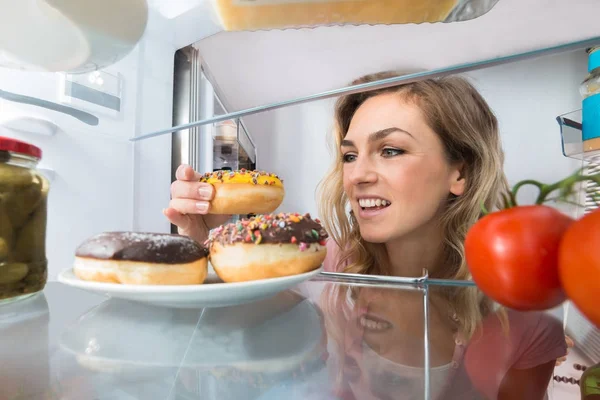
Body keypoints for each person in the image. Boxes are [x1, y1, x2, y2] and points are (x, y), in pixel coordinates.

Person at [164, 72, 567, 399]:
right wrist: (211, 249)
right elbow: (224, 340)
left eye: (390, 150)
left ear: (459, 172)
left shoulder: (525, 323)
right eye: (350, 155)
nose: (357, 175)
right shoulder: (321, 263)